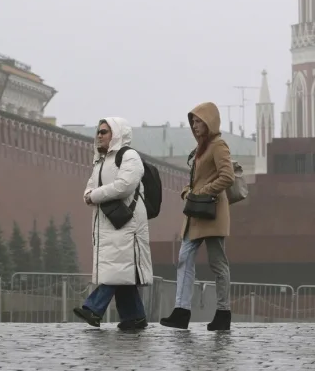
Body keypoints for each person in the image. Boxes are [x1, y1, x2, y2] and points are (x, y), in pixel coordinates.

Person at [72, 117, 154, 330]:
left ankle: (93, 308)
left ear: (116, 134)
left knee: (116, 269)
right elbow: (89, 188)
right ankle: (134, 317)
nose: (99, 135)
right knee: (120, 271)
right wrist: (89, 195)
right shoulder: (100, 160)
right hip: (108, 223)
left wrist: (95, 195)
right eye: (98, 132)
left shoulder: (129, 156)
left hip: (128, 223)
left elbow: (125, 186)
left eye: (104, 132)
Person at [160, 102, 235, 331]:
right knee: (184, 257)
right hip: (196, 213)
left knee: (217, 263)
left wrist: (202, 192)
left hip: (211, 213)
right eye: (192, 121)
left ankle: (223, 313)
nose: (194, 125)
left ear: (209, 122)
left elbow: (228, 176)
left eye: (198, 120)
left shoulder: (218, 145)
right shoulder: (201, 148)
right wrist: (188, 191)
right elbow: (196, 180)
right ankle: (181, 311)